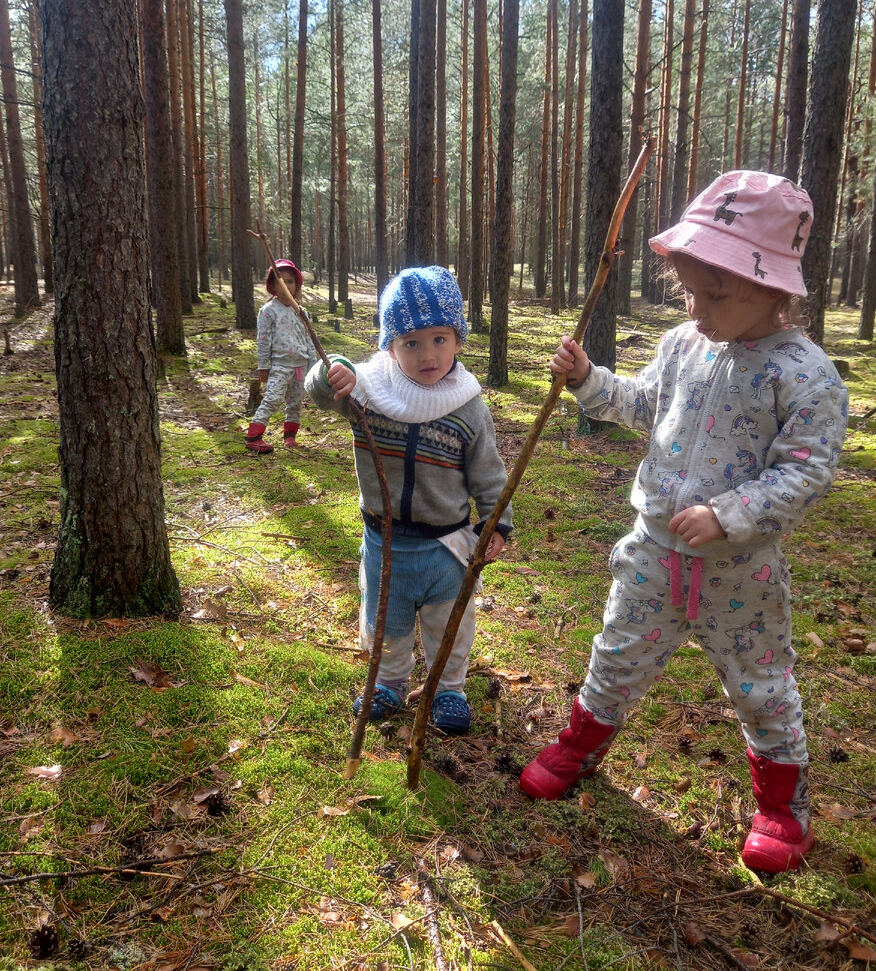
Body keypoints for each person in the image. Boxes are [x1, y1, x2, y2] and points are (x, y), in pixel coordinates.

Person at [519, 170, 848, 874]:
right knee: (616, 651)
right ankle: (581, 743)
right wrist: (588, 383)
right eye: (689, 291)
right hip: (653, 554)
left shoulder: (806, 375)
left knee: (761, 683)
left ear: (771, 286)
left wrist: (731, 516)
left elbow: (806, 472)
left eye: (715, 293)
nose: (697, 308)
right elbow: (644, 407)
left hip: (743, 571)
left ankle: (782, 808)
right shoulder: (682, 346)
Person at [305, 266, 512, 734]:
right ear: (389, 346)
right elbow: (320, 394)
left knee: (449, 626)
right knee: (387, 623)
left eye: (439, 339)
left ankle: (448, 688)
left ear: (458, 340)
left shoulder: (469, 408)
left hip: (446, 545)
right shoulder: (367, 392)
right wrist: (329, 372)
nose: (428, 354)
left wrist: (495, 523)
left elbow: (488, 473)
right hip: (386, 542)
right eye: (411, 343)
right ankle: (389, 682)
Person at [245, 259, 316, 453]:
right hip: (280, 365)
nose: (285, 285)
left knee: (295, 401)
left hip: (300, 366)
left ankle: (290, 437)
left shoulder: (301, 312)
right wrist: (263, 366)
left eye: (290, 281)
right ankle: (254, 436)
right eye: (281, 281)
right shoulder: (268, 311)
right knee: (273, 398)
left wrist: (313, 365)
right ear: (272, 285)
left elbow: (309, 340)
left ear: (297, 285)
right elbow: (263, 340)